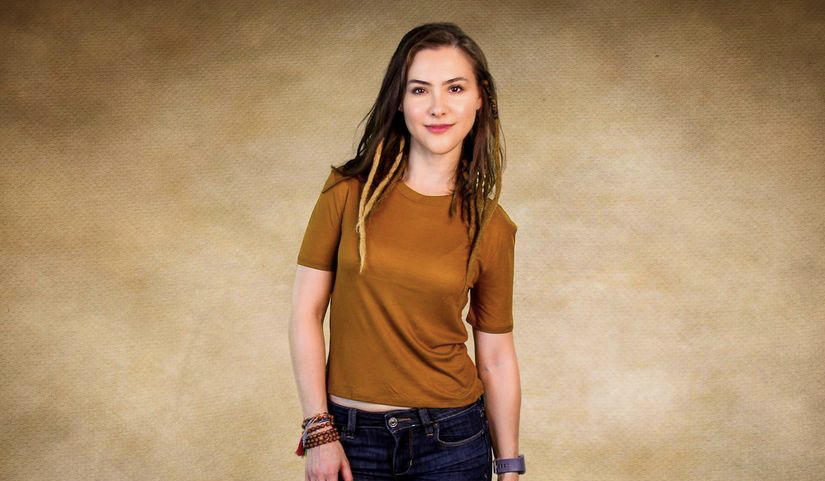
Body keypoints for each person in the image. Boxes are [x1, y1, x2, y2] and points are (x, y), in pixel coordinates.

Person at [289, 22, 526, 481]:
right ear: (399, 100)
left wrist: (510, 467)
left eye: (455, 88)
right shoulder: (346, 192)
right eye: (420, 89)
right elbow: (305, 312)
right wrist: (319, 431)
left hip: (453, 441)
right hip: (350, 440)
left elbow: (496, 356)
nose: (438, 106)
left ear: (480, 98)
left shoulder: (492, 225)